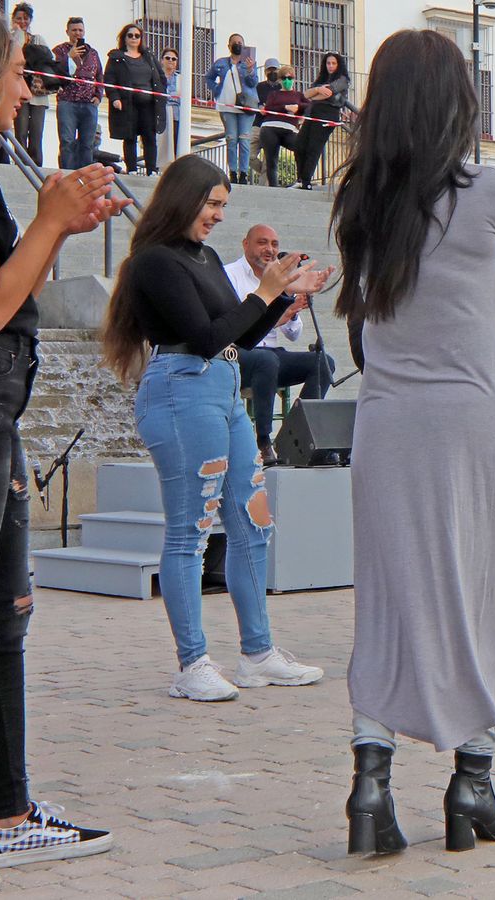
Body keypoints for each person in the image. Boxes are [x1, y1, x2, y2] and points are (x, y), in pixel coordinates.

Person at [332, 30, 495, 856]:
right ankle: (472, 779)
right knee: (481, 592)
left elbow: (362, 315)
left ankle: (372, 781)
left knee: (389, 597)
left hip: (389, 421)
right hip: (472, 421)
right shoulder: (492, 190)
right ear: (455, 104)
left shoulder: (361, 200)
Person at [0, 5, 129, 886]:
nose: (29, 89)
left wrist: (59, 224)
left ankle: (6, 812)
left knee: (4, 616)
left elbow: (12, 294)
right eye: (19, 71)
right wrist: (51, 221)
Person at [100, 155, 329, 702]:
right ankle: (193, 662)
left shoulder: (201, 257)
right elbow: (203, 337)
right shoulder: (153, 262)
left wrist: (287, 298)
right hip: (182, 388)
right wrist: (266, 290)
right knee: (191, 529)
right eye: (213, 204)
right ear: (185, 198)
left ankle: (258, 652)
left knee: (252, 521)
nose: (219, 216)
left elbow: (239, 336)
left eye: (224, 206)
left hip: (223, 388)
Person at [224, 224, 335, 462]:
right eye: (262, 243)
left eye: (274, 244)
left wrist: (293, 312)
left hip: (272, 354)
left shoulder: (281, 279)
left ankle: (299, 435)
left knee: (323, 362)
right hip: (239, 354)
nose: (270, 249)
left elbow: (293, 334)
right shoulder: (229, 274)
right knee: (266, 359)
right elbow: (233, 329)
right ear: (245, 244)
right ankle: (264, 441)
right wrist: (278, 316)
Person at [103, 23, 165, 175]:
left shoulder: (148, 57)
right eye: (130, 35)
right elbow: (109, 80)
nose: (134, 38)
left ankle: (152, 170)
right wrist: (115, 98)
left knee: (150, 136)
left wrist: (160, 93)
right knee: (129, 136)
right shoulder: (116, 58)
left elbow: (161, 77)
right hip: (128, 104)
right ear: (124, 38)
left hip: (149, 104)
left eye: (137, 36)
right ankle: (131, 169)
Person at [203, 34, 256, 184]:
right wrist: (216, 89)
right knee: (231, 139)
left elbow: (253, 83)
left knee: (244, 140)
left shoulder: (248, 63)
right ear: (229, 46)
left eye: (240, 43)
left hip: (245, 107)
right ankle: (233, 172)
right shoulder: (221, 63)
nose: (237, 45)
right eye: (235, 43)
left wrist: (251, 70)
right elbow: (209, 77)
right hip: (226, 106)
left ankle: (244, 173)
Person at [51, 16, 101, 170]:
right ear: (67, 32)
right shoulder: (59, 51)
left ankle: (85, 176)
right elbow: (55, 72)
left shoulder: (92, 52)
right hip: (68, 102)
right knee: (67, 142)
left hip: (89, 104)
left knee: (87, 143)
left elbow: (100, 75)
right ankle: (68, 174)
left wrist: (98, 96)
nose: (77, 33)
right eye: (74, 30)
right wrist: (69, 57)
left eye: (80, 30)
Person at [293, 52, 348, 191]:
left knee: (314, 147)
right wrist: (317, 90)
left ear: (338, 64)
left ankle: (306, 181)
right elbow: (305, 94)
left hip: (328, 114)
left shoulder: (342, 79)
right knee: (299, 144)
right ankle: (300, 178)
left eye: (333, 63)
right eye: (328, 63)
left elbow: (328, 93)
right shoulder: (321, 78)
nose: (330, 66)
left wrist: (315, 94)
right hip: (314, 113)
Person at [11, 4, 53, 167]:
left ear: (30, 20)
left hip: (37, 92)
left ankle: (35, 165)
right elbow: (15, 53)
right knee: (20, 131)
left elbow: (46, 59)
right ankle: (20, 164)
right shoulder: (11, 37)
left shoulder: (38, 39)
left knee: (36, 132)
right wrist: (18, 33)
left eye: (25, 18)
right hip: (19, 91)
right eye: (18, 18)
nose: (22, 22)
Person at [255, 67, 305, 187]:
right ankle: (274, 187)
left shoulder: (298, 95)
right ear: (280, 80)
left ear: (294, 79)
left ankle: (301, 180)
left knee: (301, 148)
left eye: (290, 78)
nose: (287, 80)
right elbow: (268, 109)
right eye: (284, 78)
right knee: (272, 160)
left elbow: (309, 106)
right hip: (270, 127)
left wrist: (298, 108)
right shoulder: (274, 94)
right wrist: (285, 108)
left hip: (289, 130)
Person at [154, 47, 179, 166]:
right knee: (160, 144)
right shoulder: (156, 76)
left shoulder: (181, 78)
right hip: (160, 114)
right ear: (162, 60)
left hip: (176, 116)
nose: (171, 60)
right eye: (168, 58)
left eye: (174, 59)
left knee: (175, 145)